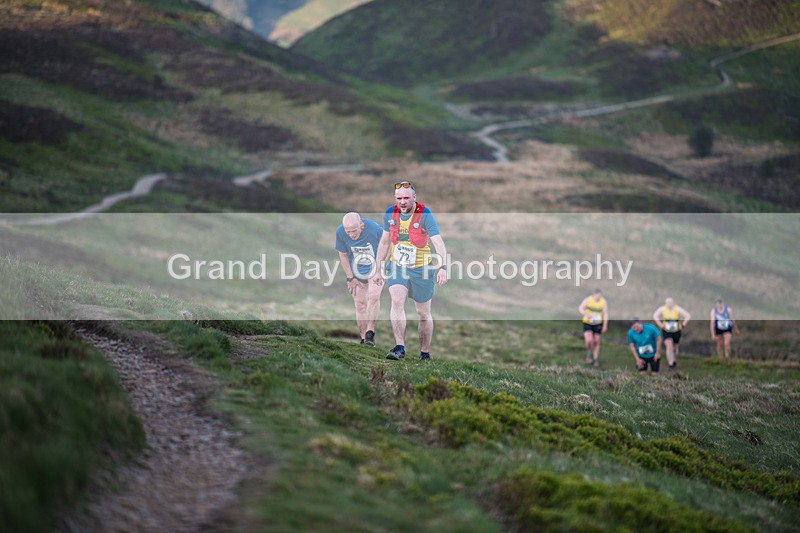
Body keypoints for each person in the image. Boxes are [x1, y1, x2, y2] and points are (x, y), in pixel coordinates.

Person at [373, 181, 448, 361]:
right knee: (397, 301)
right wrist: (377, 269)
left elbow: (438, 242)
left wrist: (443, 267)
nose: (403, 201)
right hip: (397, 265)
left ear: (414, 197)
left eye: (406, 198)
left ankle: (424, 353)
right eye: (399, 198)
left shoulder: (424, 214)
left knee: (423, 313)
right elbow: (384, 242)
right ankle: (400, 348)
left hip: (422, 269)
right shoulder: (390, 213)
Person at [335, 212, 385, 345]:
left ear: (361, 225)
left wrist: (379, 269)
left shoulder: (375, 229)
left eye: (354, 231)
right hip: (356, 270)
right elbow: (343, 255)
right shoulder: (340, 232)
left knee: (374, 297)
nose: (351, 235)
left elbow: (388, 244)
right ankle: (364, 340)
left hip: (376, 267)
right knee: (360, 305)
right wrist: (350, 277)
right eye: (348, 232)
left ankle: (370, 332)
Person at [653, 297, 690, 371]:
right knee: (669, 345)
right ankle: (671, 364)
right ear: (665, 303)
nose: (669, 304)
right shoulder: (662, 309)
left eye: (670, 302)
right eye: (667, 302)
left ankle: (674, 360)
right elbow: (655, 316)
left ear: (673, 303)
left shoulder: (677, 309)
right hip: (666, 330)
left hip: (676, 331)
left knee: (674, 348)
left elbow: (687, 316)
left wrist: (683, 325)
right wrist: (660, 325)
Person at [578, 288, 608, 367]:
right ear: (593, 294)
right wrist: (586, 314)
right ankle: (589, 352)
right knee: (589, 340)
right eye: (596, 295)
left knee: (596, 341)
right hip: (588, 322)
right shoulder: (588, 300)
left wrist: (605, 325)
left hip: (598, 324)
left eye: (599, 295)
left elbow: (605, 314)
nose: (597, 297)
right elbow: (580, 308)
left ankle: (595, 358)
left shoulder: (603, 302)